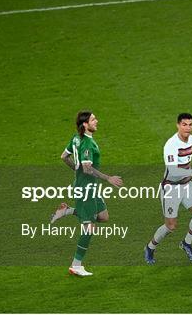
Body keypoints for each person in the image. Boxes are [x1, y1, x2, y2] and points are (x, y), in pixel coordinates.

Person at [52, 111, 123, 276]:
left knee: (103, 217)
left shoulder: (76, 138)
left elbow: (64, 156)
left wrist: (76, 170)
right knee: (89, 228)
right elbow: (87, 168)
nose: (96, 121)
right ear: (85, 124)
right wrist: (108, 178)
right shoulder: (87, 145)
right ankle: (76, 265)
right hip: (85, 190)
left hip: (91, 187)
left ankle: (67, 210)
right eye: (93, 119)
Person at [144, 113, 192, 264]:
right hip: (171, 188)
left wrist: (189, 175)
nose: (188, 128)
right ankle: (150, 247)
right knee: (171, 226)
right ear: (178, 125)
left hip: (187, 185)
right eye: (184, 124)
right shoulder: (171, 145)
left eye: (190, 124)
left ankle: (186, 243)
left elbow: (186, 161)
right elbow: (172, 171)